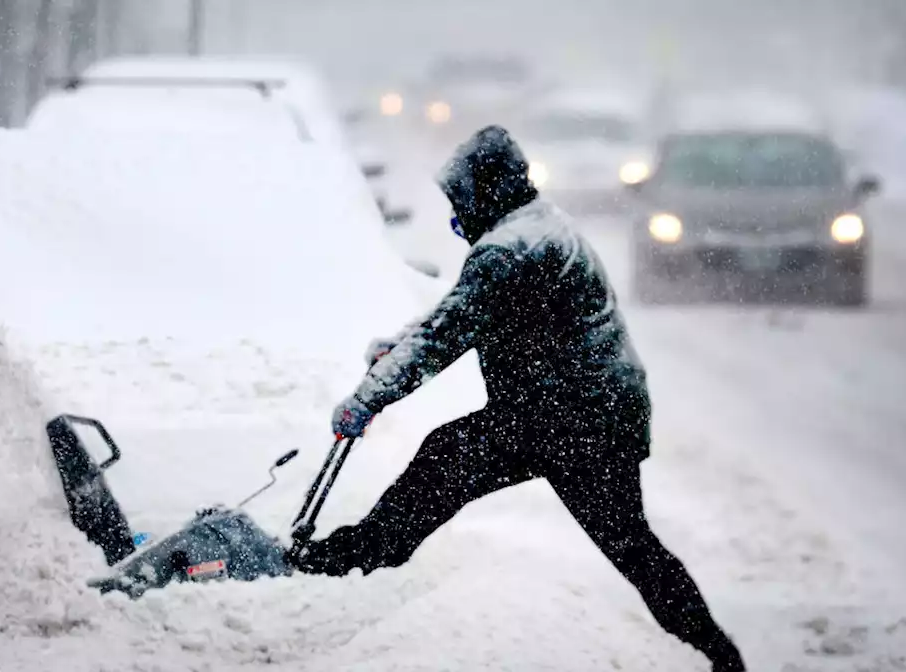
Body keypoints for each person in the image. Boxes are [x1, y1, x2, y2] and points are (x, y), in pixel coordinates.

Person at [286, 126, 747, 671]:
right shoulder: (534, 226)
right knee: (630, 545)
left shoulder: (510, 249)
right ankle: (718, 654)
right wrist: (400, 343)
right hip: (585, 410)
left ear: (486, 192)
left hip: (569, 417)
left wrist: (368, 399)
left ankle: (344, 567)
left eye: (459, 202)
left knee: (451, 460)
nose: (456, 217)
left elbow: (447, 333)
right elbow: (460, 315)